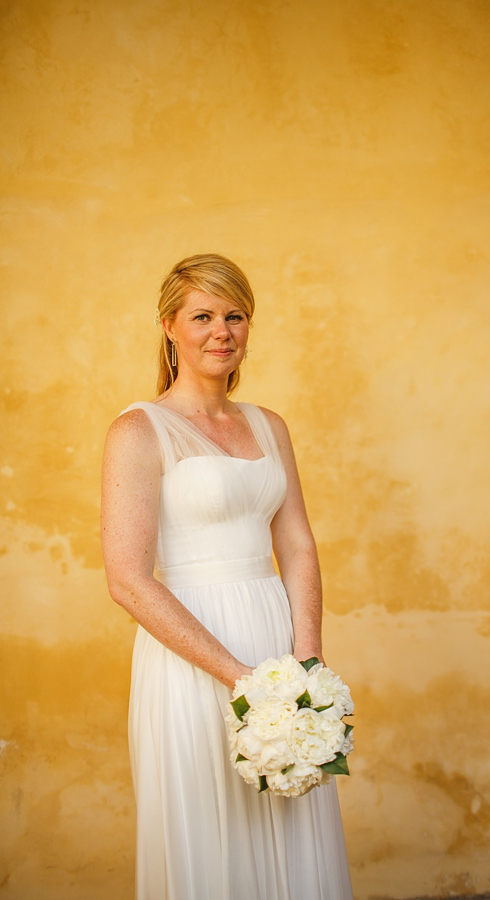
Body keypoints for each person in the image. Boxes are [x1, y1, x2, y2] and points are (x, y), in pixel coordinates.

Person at [101, 254, 354, 900]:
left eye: (235, 315)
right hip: (190, 657)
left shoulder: (270, 426)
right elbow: (128, 579)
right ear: (169, 327)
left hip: (275, 641)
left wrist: (305, 669)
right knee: (210, 839)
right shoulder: (138, 430)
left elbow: (296, 545)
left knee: (291, 826)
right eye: (203, 316)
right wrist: (243, 681)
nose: (222, 331)